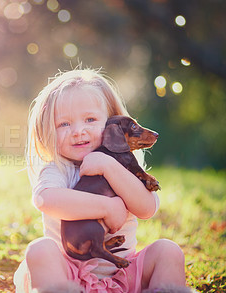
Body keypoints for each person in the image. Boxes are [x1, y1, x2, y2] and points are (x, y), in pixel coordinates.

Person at [14, 68, 188, 292]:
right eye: (64, 124)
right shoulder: (58, 168)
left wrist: (108, 166)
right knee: (40, 250)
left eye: (90, 119)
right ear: (47, 130)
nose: (78, 131)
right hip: (69, 277)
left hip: (123, 277)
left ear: (112, 122)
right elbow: (45, 199)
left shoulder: (124, 165)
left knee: (168, 251)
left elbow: (147, 208)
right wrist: (107, 207)